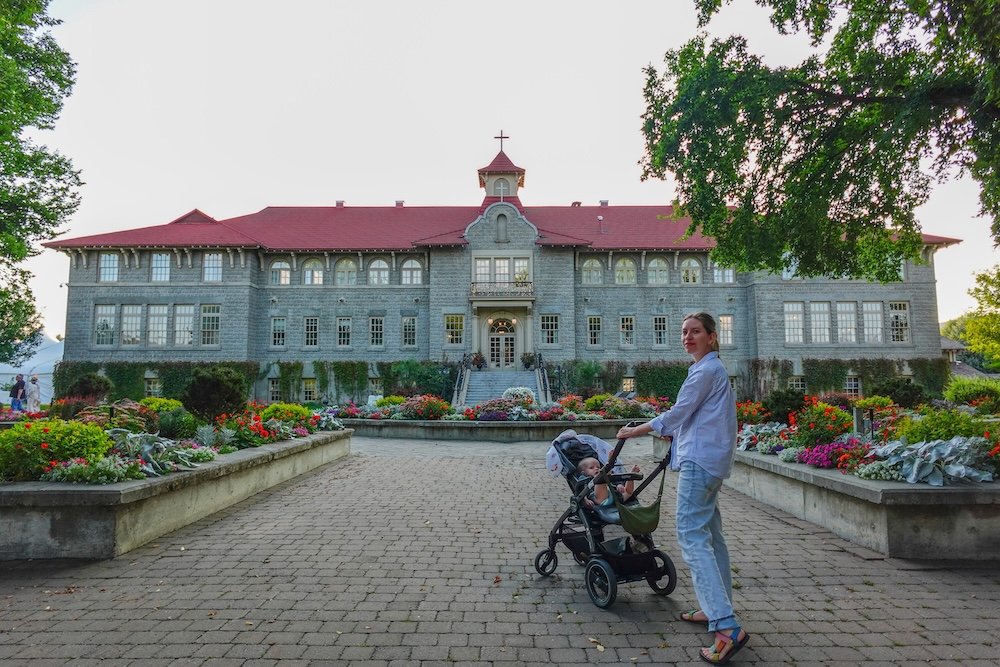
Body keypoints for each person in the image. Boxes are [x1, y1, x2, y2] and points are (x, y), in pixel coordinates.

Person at [616, 312, 748, 665]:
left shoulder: (706, 371)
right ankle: (715, 608)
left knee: (691, 536)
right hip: (712, 461)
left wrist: (635, 431)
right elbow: (692, 417)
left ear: (711, 336)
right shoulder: (710, 371)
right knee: (711, 537)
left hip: (700, 462)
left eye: (695, 332)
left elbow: (677, 414)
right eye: (684, 332)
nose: (688, 337)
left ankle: (725, 625)